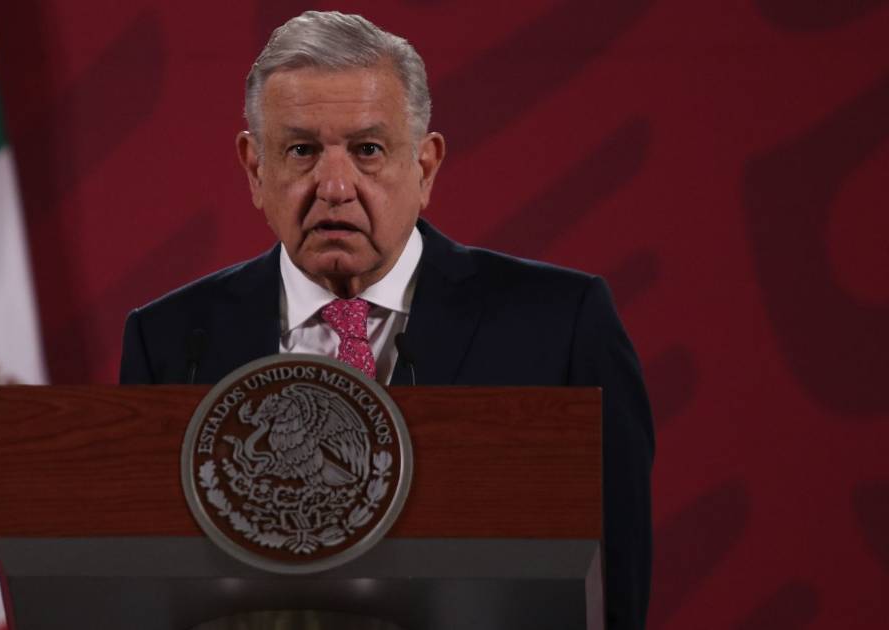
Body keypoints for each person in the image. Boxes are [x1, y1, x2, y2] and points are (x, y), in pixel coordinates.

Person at [119, 11, 653, 629]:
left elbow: (616, 586)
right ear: (255, 169)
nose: (334, 186)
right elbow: (142, 586)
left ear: (425, 167)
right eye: (301, 151)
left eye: (367, 150)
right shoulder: (172, 342)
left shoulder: (560, 326)